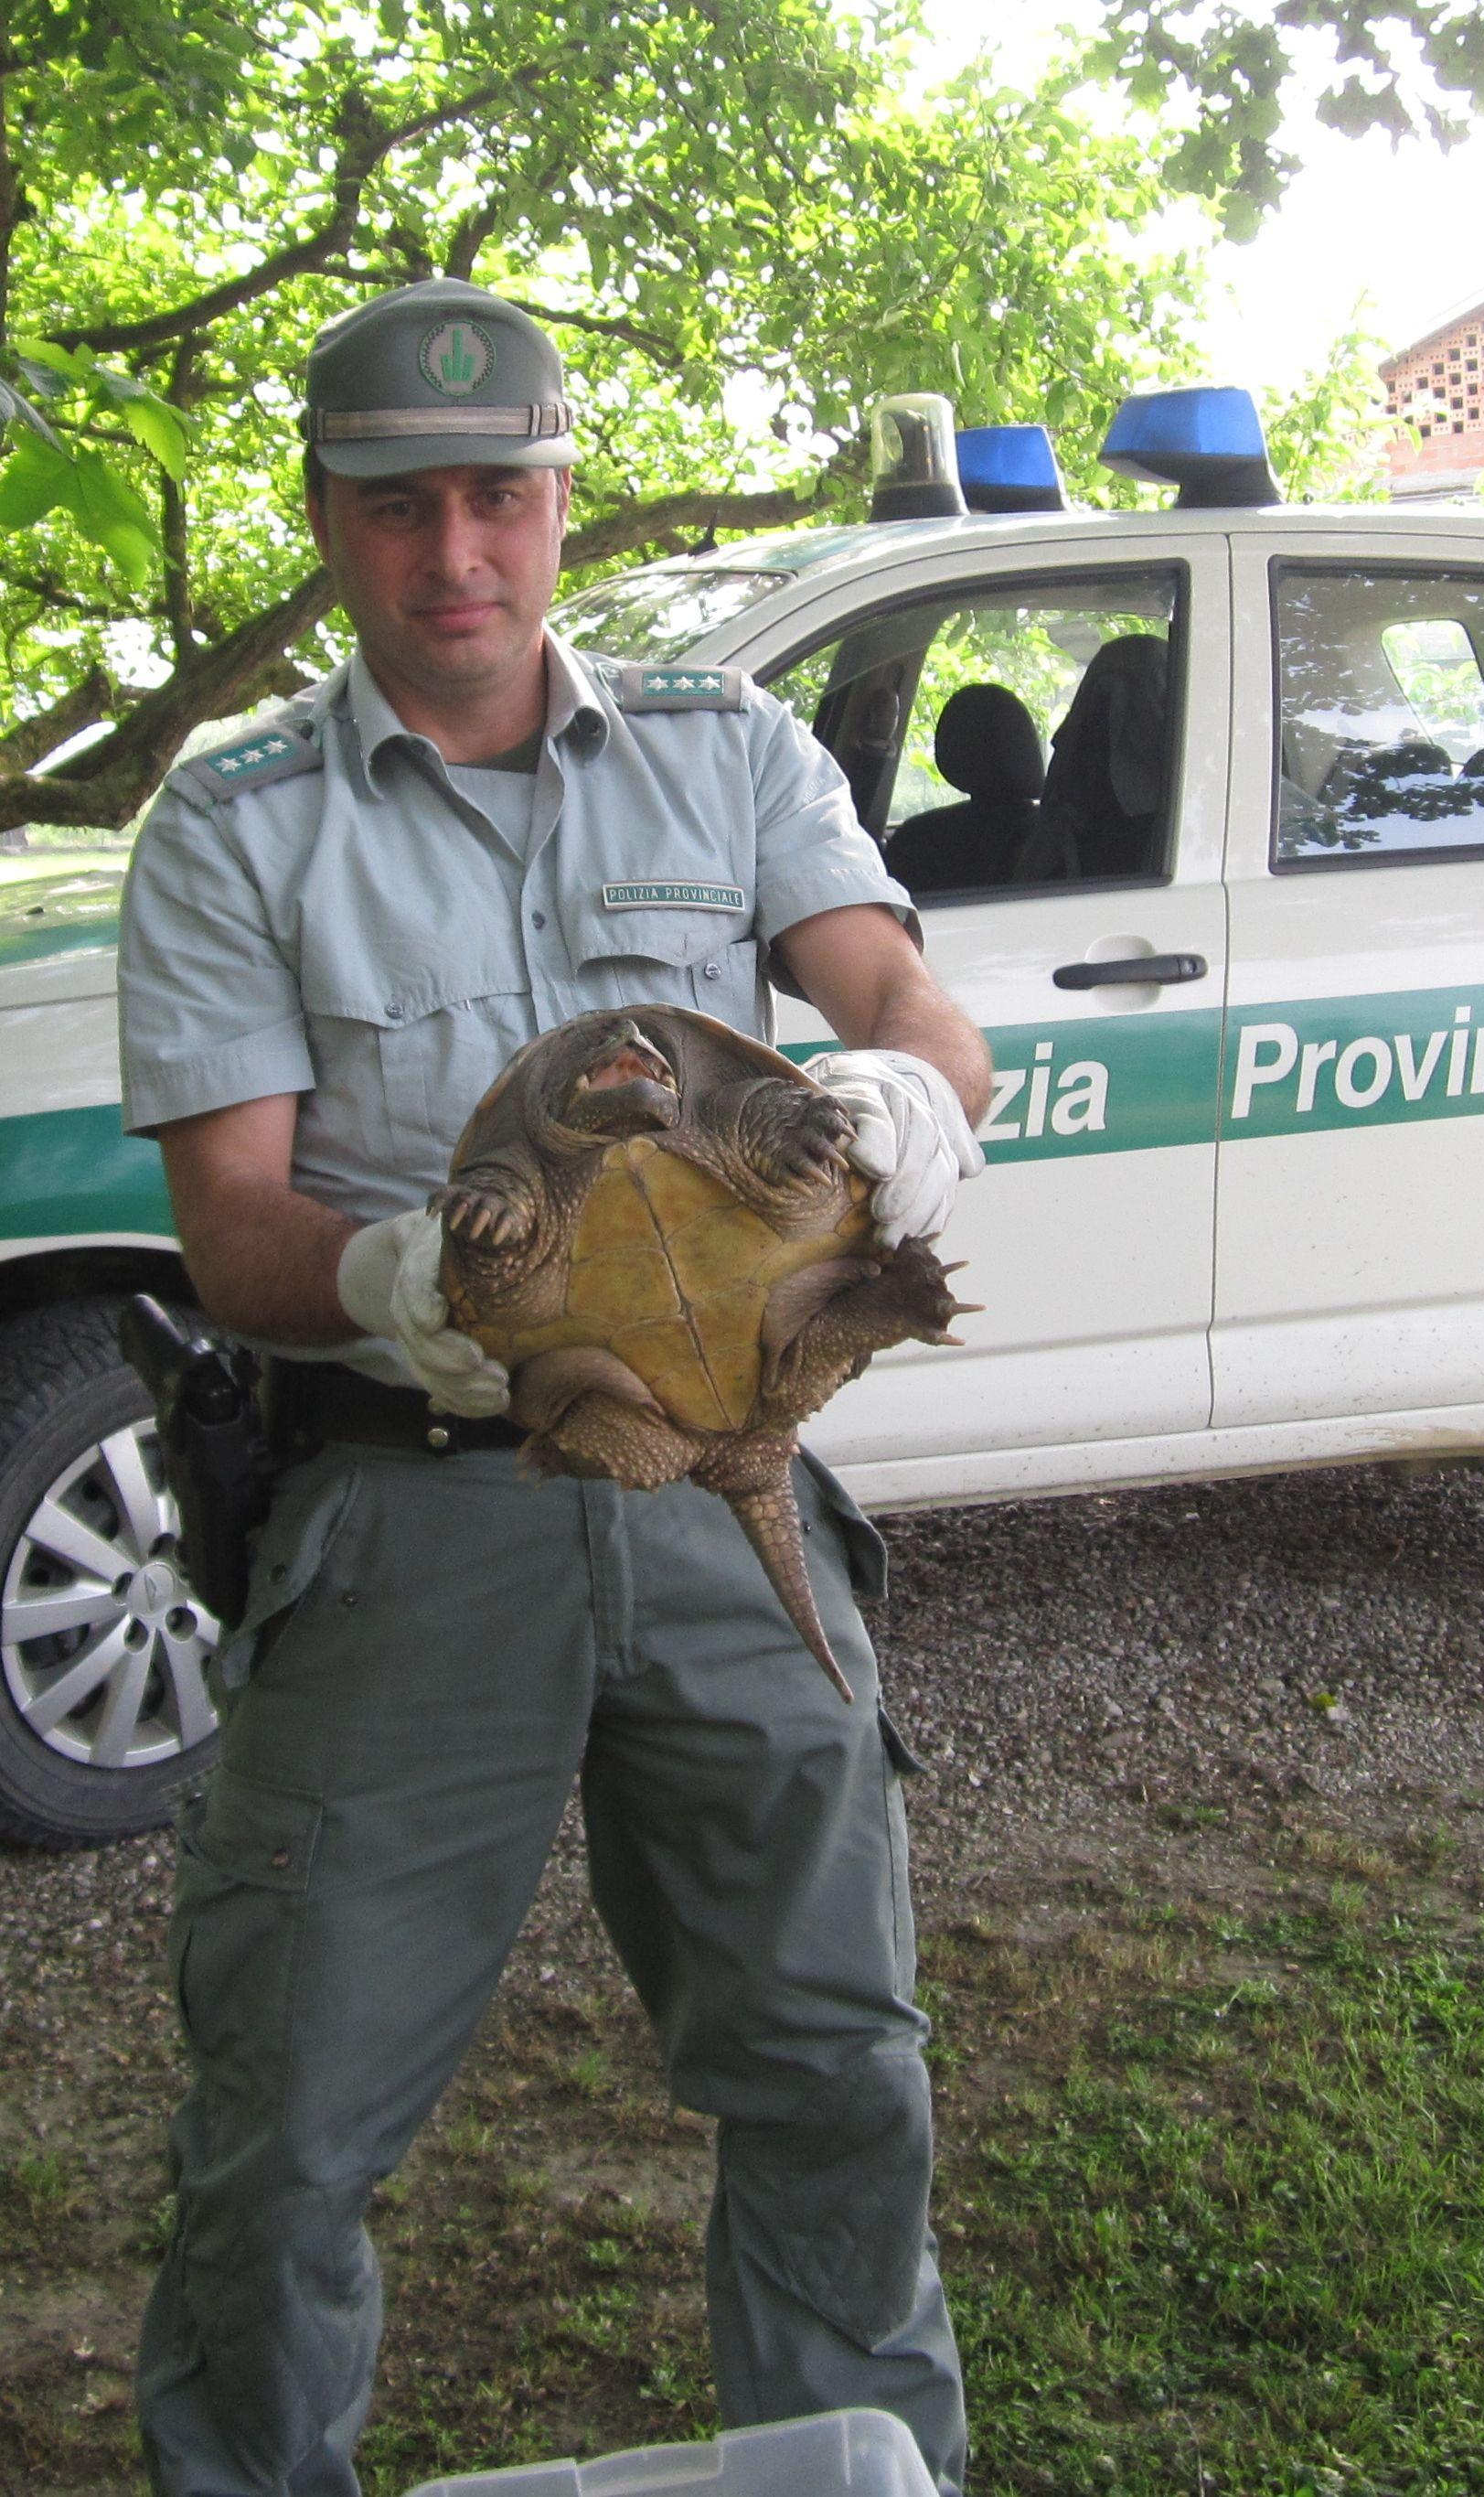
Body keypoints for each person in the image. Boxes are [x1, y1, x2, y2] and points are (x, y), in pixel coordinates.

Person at [118, 276, 989, 2497]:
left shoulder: (726, 746)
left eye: (499, 495)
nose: (458, 556)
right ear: (325, 519)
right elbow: (234, 1230)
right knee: (290, 2124)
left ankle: (855, 2466)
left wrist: (895, 1115)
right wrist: (423, 1273)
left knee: (832, 2060)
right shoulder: (230, 832)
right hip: (410, 1515)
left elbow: (897, 988)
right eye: (400, 508)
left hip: (723, 1494)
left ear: (563, 499)